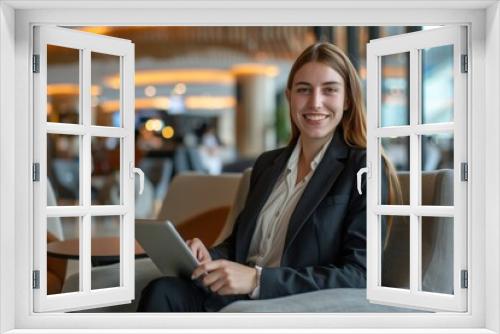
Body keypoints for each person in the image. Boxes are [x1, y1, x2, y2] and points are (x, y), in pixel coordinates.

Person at [137, 42, 400, 312]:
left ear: (347, 99)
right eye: (303, 90)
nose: (315, 102)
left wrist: (257, 280)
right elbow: (241, 245)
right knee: (162, 290)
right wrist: (209, 254)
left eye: (329, 90)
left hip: (289, 302)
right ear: (289, 96)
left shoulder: (362, 167)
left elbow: (359, 275)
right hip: (236, 295)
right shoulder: (268, 164)